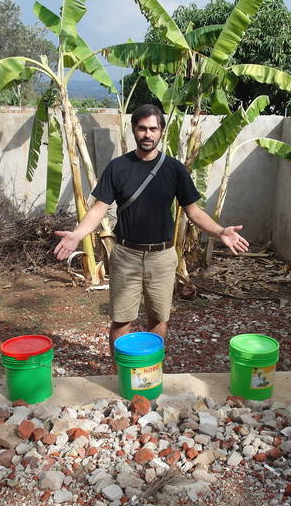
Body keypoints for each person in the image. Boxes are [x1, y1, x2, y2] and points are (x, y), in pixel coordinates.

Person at [54, 104, 249, 354]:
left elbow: (194, 211)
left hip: (162, 257)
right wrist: (77, 235)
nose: (148, 134)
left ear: (161, 132)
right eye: (142, 128)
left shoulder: (174, 169)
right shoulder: (117, 167)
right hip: (126, 256)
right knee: (122, 320)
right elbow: (98, 209)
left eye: (153, 129)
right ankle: (122, 377)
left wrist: (221, 232)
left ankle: (150, 373)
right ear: (134, 130)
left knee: (158, 319)